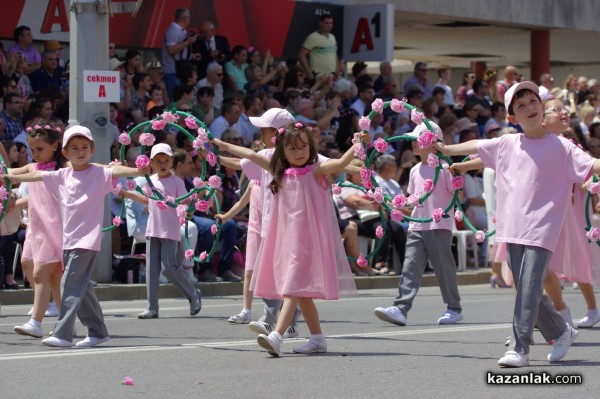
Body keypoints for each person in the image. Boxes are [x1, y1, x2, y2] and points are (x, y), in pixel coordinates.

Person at [435, 81, 597, 367]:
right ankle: (561, 331)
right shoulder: (507, 143)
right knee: (526, 288)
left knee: (530, 285)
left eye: (533, 101)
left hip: (543, 229)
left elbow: (592, 165)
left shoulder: (563, 147)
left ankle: (520, 348)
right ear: (512, 118)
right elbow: (477, 148)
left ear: (542, 106)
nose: (530, 108)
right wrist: (447, 150)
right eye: (521, 106)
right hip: (512, 228)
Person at [214, 121, 362, 357]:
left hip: (308, 242)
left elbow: (342, 163)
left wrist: (358, 143)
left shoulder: (316, 171)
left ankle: (277, 335)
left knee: (291, 288)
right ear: (282, 151)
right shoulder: (278, 171)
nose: (299, 152)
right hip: (287, 241)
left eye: (303, 146)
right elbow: (252, 154)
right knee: (301, 294)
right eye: (292, 148)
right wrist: (219, 144)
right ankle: (317, 339)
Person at [6, 125, 150, 347]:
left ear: (92, 150)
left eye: (85, 147)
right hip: (68, 239)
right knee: (84, 288)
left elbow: (117, 171)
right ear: (65, 152)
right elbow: (37, 174)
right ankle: (98, 331)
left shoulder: (99, 173)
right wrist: (11, 176)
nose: (80, 151)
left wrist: (137, 171)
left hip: (87, 240)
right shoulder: (62, 175)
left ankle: (63, 333)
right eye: (74, 148)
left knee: (68, 284)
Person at [374, 122, 463, 327]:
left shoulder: (445, 168)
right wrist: (391, 202)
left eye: (418, 140)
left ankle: (454, 308)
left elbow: (456, 194)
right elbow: (414, 198)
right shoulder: (415, 170)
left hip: (438, 225)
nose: (413, 143)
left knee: (443, 268)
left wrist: (458, 177)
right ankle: (401, 308)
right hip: (417, 225)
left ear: (433, 144)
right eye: (413, 140)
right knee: (410, 267)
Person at [120, 143, 202, 319]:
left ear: (172, 161)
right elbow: (145, 199)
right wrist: (126, 193)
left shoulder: (177, 181)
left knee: (168, 269)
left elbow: (185, 201)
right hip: (152, 230)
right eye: (158, 161)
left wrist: (190, 208)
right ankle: (152, 307)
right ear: (151, 163)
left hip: (170, 231)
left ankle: (193, 294)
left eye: (166, 160)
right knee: (152, 270)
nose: (163, 164)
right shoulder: (151, 181)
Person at [10, 125, 65, 338]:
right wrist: (16, 202)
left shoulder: (60, 171)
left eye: (40, 149)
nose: (35, 154)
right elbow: (11, 173)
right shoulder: (34, 167)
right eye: (32, 150)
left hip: (53, 228)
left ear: (54, 146)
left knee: (41, 274)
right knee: (40, 271)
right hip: (35, 227)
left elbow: (88, 167)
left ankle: (36, 322)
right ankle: (66, 319)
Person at [162, 8, 198, 101]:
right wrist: (188, 42)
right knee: (175, 99)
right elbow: (171, 50)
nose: (190, 20)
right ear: (184, 18)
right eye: (189, 18)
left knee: (183, 99)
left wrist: (191, 55)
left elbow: (180, 50)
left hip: (181, 71)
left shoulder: (182, 31)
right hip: (173, 71)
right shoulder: (173, 30)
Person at [298, 14, 338, 82]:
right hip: (318, 74)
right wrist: (309, 72)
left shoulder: (332, 37)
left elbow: (334, 55)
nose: (329, 25)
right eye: (326, 23)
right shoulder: (313, 37)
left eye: (331, 23)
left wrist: (337, 72)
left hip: (332, 74)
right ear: (320, 23)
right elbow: (301, 55)